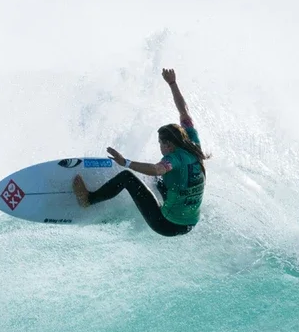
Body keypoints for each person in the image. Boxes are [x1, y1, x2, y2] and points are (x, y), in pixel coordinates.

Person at [72, 68, 208, 237]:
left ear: (169, 144)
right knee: (157, 180)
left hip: (166, 224)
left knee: (127, 177)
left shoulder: (175, 158)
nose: (160, 147)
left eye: (161, 143)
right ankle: (158, 199)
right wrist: (172, 83)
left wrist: (125, 162)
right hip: (190, 223)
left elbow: (158, 169)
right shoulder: (193, 142)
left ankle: (89, 199)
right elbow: (184, 111)